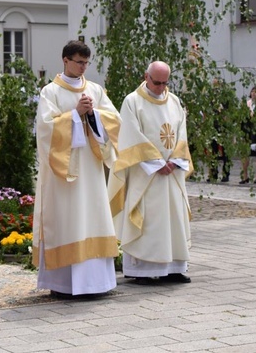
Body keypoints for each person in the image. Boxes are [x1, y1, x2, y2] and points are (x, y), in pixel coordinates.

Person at [33, 40, 120, 297]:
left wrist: (93, 115)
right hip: (64, 173)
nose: (83, 67)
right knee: (68, 220)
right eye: (78, 62)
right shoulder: (50, 92)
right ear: (65, 61)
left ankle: (97, 283)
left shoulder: (95, 89)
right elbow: (45, 129)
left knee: (92, 217)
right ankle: (63, 285)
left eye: (86, 62)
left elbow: (114, 120)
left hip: (90, 169)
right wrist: (74, 113)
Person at [108, 61, 193, 284]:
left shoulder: (174, 101)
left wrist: (174, 161)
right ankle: (142, 271)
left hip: (172, 173)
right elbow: (130, 135)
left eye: (165, 83)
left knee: (173, 218)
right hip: (145, 174)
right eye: (157, 82)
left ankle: (174, 267)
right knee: (149, 221)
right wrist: (156, 162)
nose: (161, 88)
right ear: (146, 76)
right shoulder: (132, 102)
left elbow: (181, 132)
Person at [239, 87, 256, 184]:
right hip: (246, 132)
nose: (253, 93)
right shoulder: (246, 104)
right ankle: (245, 176)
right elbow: (242, 119)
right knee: (245, 154)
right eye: (252, 91)